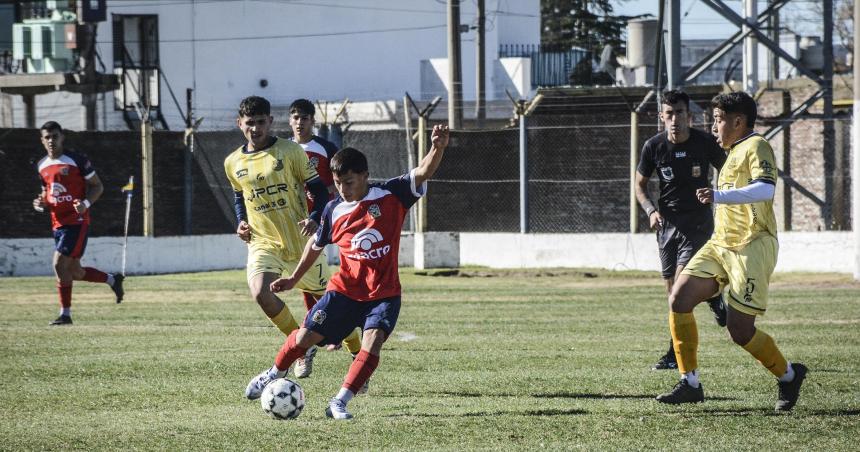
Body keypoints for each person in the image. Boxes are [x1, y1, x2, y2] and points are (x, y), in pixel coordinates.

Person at [244, 124, 450, 420]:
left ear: (365, 176)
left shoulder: (392, 194)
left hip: (384, 293)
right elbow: (315, 246)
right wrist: (293, 278)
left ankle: (339, 402)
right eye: (338, 183)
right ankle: (273, 372)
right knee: (304, 338)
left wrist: (438, 147)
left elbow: (423, 172)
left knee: (373, 340)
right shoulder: (333, 209)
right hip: (343, 292)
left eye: (349, 182)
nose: (343, 189)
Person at [655, 91, 807, 411]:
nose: (714, 126)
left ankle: (789, 375)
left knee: (739, 331)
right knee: (679, 299)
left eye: (720, 120)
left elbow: (766, 189)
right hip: (721, 243)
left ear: (738, 122)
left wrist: (718, 196)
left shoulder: (756, 146)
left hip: (753, 245)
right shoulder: (731, 150)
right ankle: (690, 383)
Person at [223, 96, 358, 385]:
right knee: (260, 292)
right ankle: (300, 347)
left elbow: (320, 192)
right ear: (240, 124)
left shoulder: (291, 152)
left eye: (261, 122)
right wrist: (241, 222)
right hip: (263, 242)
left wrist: (314, 218)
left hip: (301, 242)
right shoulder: (232, 162)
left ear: (270, 121)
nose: (256, 129)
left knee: (333, 307)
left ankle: (357, 352)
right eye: (250, 123)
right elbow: (239, 197)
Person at [635, 90, 728, 371]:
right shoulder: (654, 146)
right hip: (666, 226)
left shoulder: (705, 142)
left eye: (679, 113)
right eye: (669, 114)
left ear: (689, 116)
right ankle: (712, 296)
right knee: (671, 296)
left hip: (698, 223)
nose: (674, 119)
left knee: (678, 289)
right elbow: (639, 185)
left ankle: (675, 355)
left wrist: (720, 195)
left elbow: (728, 172)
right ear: (662, 116)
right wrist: (651, 211)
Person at [288, 98, 363, 375]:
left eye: (305, 117)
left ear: (312, 121)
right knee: (311, 284)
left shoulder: (326, 149)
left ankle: (333, 338)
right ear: (289, 121)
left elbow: (334, 186)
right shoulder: (283, 149)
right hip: (294, 227)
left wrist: (322, 216)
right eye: (295, 117)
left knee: (337, 281)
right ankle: (321, 339)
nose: (300, 122)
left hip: (326, 224)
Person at [32, 121, 125, 325]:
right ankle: (112, 280)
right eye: (46, 137)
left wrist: (85, 203)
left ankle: (65, 315)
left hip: (77, 221)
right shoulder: (41, 165)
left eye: (54, 136)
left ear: (62, 137)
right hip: (57, 224)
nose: (51, 141)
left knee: (58, 264)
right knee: (75, 272)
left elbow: (98, 186)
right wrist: (41, 203)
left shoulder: (77, 160)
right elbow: (47, 194)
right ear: (41, 140)